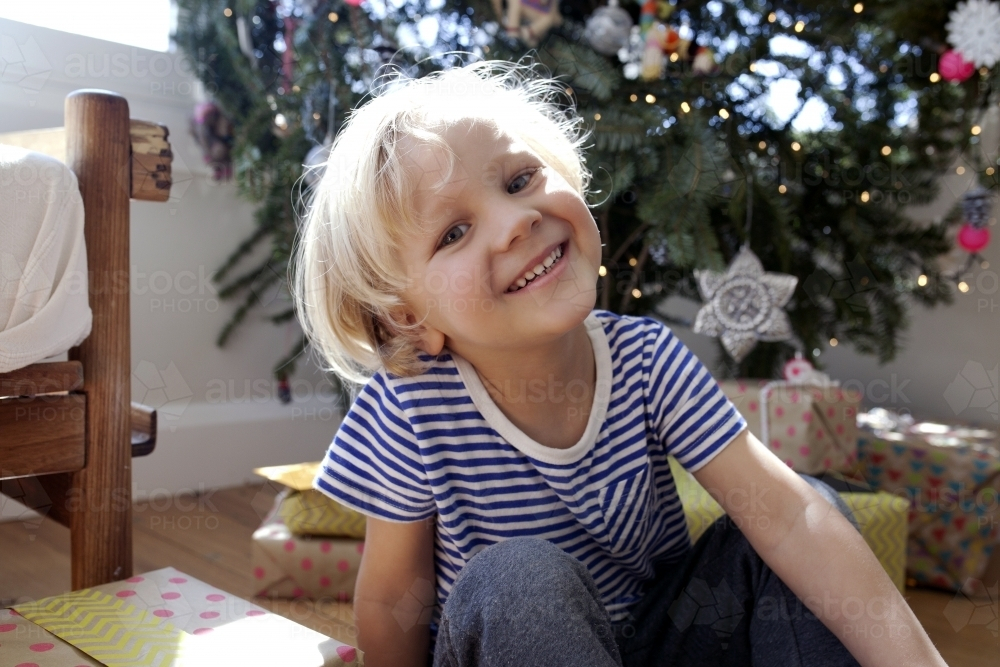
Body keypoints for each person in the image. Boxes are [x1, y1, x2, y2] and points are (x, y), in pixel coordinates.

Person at [292, 58, 948, 667]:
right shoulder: (410, 406)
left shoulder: (647, 360)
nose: (516, 220)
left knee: (809, 509)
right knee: (517, 576)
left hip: (654, 637)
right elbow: (388, 600)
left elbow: (793, 517)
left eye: (520, 180)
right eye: (454, 231)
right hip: (513, 644)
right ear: (411, 320)